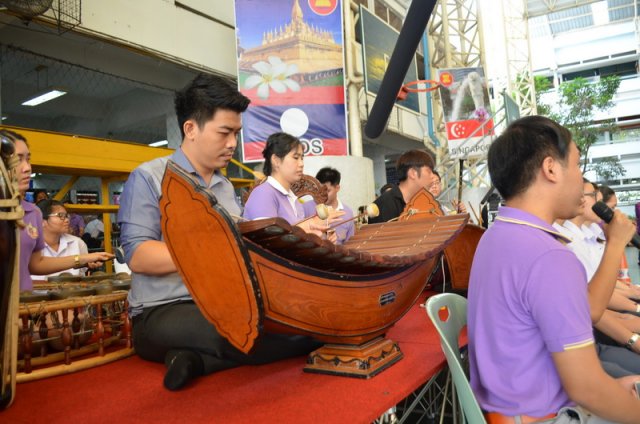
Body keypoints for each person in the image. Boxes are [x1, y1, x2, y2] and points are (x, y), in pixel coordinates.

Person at [117, 74, 320, 392]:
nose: (232, 144)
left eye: (236, 133)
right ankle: (201, 355)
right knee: (253, 332)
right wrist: (221, 249)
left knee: (290, 317)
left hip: (220, 300)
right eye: (225, 133)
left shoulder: (225, 186)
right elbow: (139, 257)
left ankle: (194, 360)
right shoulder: (149, 178)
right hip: (160, 312)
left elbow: (242, 246)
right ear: (191, 129)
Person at [467, 116, 640, 423]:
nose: (581, 179)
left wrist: (613, 246)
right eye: (577, 166)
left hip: (512, 408)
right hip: (548, 415)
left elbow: (585, 311)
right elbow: (588, 389)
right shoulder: (547, 256)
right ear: (550, 169)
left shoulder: (497, 235)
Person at [1, 129, 113, 292]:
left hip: (23, 308)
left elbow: (36, 264)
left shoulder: (33, 213)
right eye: (18, 160)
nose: (27, 168)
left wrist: (83, 258)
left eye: (28, 159)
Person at [243, 132, 342, 240]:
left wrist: (322, 237)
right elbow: (267, 241)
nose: (301, 164)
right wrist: (309, 225)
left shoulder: (293, 199)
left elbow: (298, 240)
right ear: (276, 160)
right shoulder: (263, 194)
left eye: (302, 158)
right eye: (295, 158)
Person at [368, 149, 435, 224]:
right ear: (413, 173)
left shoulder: (422, 202)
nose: (433, 176)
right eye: (429, 171)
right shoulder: (385, 204)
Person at [31, 199, 90, 281]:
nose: (67, 220)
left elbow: (82, 275)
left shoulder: (77, 243)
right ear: (42, 221)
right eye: (61, 216)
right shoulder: (29, 246)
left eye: (66, 216)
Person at [302, 167, 354, 245]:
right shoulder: (305, 208)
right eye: (320, 190)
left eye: (327, 190)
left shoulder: (347, 213)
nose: (323, 194)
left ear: (337, 188)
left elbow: (350, 245)